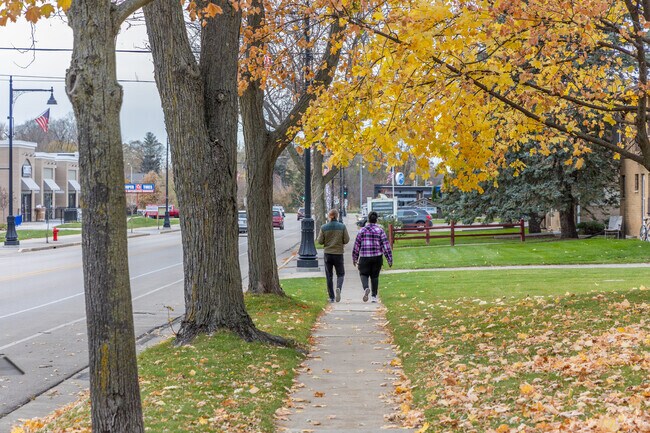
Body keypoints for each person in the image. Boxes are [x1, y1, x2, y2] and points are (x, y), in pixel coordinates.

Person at [352, 211, 393, 303]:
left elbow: (356, 246)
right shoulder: (380, 231)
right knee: (375, 276)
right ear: (376, 220)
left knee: (363, 274)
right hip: (377, 257)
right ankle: (374, 297)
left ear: (368, 219)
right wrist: (389, 259)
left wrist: (355, 258)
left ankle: (366, 288)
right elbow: (385, 246)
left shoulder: (362, 231)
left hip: (364, 257)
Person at [316, 208, 350, 302]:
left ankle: (331, 297)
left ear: (329, 216)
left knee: (329, 275)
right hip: (338, 253)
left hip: (328, 254)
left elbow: (320, 241)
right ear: (337, 215)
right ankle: (338, 288)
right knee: (341, 274)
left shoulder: (324, 227)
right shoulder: (342, 227)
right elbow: (346, 240)